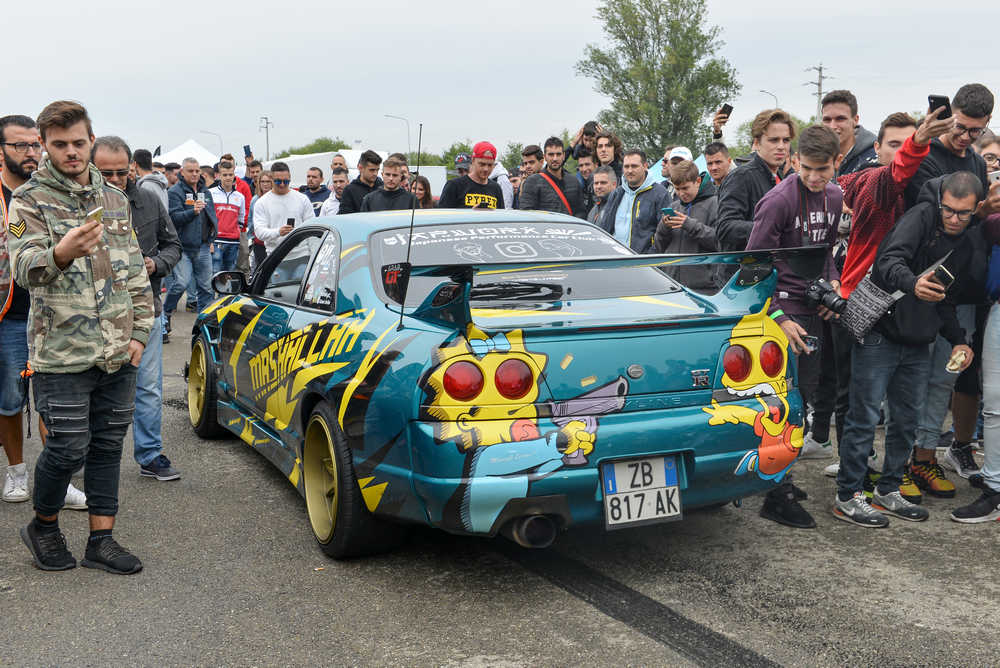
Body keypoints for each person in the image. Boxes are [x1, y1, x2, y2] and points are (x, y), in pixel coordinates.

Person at [8, 100, 153, 573]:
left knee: (109, 446)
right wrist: (60, 252)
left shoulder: (113, 198)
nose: (72, 152)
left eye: (79, 142)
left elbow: (134, 270)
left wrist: (140, 333)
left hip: (118, 349)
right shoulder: (28, 200)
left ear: (91, 140)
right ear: (46, 147)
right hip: (61, 354)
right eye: (60, 144)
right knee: (67, 449)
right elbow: (24, 269)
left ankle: (101, 539)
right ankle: (44, 526)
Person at [811, 109, 952, 481]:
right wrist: (919, 141)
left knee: (902, 404)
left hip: (909, 310)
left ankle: (891, 474)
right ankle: (851, 470)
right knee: (853, 395)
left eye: (908, 142)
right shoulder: (874, 180)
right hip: (862, 301)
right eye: (896, 144)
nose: (902, 150)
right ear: (877, 147)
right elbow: (896, 174)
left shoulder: (930, 193)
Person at [834, 172, 979, 527]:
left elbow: (946, 298)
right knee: (864, 416)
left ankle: (889, 489)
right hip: (881, 331)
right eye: (949, 210)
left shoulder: (966, 239)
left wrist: (959, 338)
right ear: (941, 201)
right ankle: (848, 495)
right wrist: (913, 283)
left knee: (906, 421)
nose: (954, 218)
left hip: (919, 339)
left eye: (963, 213)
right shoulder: (921, 216)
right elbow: (887, 262)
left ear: (976, 209)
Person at [745, 125, 845, 529]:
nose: (814, 177)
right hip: (781, 311)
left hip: (813, 307)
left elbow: (826, 254)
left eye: (822, 170)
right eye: (806, 168)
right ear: (794, 161)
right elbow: (751, 268)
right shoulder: (778, 200)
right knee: (782, 405)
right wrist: (777, 318)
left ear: (836, 164)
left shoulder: (836, 196)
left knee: (807, 397)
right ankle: (776, 492)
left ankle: (781, 475)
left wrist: (833, 281)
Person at [905, 84, 1000, 496]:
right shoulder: (927, 156)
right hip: (920, 284)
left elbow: (972, 230)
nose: (965, 137)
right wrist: (976, 212)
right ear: (951, 115)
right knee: (911, 378)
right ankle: (904, 460)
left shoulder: (978, 163)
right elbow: (928, 219)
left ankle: (924, 457)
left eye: (975, 131)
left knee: (945, 378)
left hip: (960, 290)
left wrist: (984, 214)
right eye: (960, 127)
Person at [0, 114, 86, 508]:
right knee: (9, 400)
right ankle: (16, 471)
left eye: (34, 144)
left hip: (53, 312)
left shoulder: (53, 192)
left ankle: (58, 479)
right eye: (20, 146)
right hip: (9, 316)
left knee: (55, 402)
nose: (31, 153)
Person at [91, 136, 182, 483]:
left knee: (148, 388)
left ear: (131, 168)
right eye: (105, 173)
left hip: (147, 311)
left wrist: (155, 264)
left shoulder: (148, 200)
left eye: (120, 173)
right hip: (95, 316)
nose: (114, 180)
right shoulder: (78, 203)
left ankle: (149, 454)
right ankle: (90, 455)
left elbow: (173, 245)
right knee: (95, 391)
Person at [716, 108, 796, 251]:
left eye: (786, 140)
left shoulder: (783, 179)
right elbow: (725, 228)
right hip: (742, 269)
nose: (781, 147)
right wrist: (770, 229)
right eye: (774, 140)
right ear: (757, 143)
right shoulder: (741, 176)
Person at [164, 157, 216, 330]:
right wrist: (191, 212)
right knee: (181, 283)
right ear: (182, 172)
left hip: (202, 247)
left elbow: (211, 217)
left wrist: (211, 239)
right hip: (183, 249)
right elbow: (173, 219)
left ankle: (204, 324)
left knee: (207, 288)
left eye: (197, 171)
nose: (194, 174)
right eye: (190, 171)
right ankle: (165, 314)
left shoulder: (205, 191)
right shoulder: (175, 192)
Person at [652, 160, 719, 292]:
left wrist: (689, 225)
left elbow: (720, 242)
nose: (681, 193)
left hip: (704, 287)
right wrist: (664, 228)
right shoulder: (673, 207)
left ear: (698, 181)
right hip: (672, 284)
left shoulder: (715, 204)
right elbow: (659, 247)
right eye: (677, 189)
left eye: (685, 188)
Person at [596, 149, 670, 252]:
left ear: (645, 166)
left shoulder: (660, 194)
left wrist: (649, 258)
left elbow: (665, 232)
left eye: (634, 166)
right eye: (626, 166)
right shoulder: (617, 193)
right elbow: (605, 228)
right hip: (615, 260)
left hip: (643, 263)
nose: (630, 170)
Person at [252, 161, 314, 254]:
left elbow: (311, 228)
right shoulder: (262, 202)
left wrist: (315, 254)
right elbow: (259, 232)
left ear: (290, 178)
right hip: (275, 256)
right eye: (278, 181)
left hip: (301, 254)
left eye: (286, 181)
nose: (282, 184)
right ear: (272, 179)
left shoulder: (302, 199)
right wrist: (278, 232)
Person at [517, 137, 585, 217]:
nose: (555, 158)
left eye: (558, 154)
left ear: (563, 156)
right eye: (551, 155)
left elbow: (581, 212)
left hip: (570, 228)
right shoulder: (532, 182)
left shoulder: (574, 181)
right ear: (545, 157)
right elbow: (526, 214)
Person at [820, 89, 878, 175]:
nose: (832, 126)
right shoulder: (816, 158)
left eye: (840, 119)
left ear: (855, 120)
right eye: (827, 120)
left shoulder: (873, 162)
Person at [437, 142, 505, 210]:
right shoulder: (454, 185)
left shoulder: (496, 188)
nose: (486, 169)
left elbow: (502, 217)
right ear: (473, 161)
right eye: (482, 164)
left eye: (490, 165)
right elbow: (442, 216)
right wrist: (471, 214)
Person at [208, 160, 246, 273]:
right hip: (216, 240)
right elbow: (206, 219)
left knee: (229, 274)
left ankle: (224, 292)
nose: (228, 177)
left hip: (233, 242)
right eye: (225, 175)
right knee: (215, 273)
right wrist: (209, 241)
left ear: (234, 175)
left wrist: (236, 232)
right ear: (219, 176)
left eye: (230, 174)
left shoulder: (240, 197)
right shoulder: (210, 193)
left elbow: (241, 218)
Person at [338, 150, 383, 215]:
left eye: (377, 170)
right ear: (360, 168)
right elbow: (345, 218)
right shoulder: (349, 190)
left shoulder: (382, 187)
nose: (375, 173)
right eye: (372, 170)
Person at [248, 170, 272, 267]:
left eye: (268, 181)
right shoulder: (255, 199)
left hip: (274, 241)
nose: (265, 184)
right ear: (259, 183)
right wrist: (251, 238)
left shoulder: (277, 198)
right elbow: (251, 220)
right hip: (259, 242)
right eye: (263, 181)